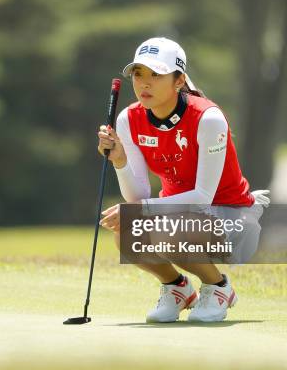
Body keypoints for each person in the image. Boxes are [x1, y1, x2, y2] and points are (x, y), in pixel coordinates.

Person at [97, 37, 270, 322]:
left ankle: (219, 288)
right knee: (126, 231)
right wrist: (119, 160)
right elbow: (136, 197)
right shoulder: (129, 119)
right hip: (182, 218)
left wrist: (141, 210)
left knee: (159, 226)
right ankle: (177, 289)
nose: (145, 83)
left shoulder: (208, 118)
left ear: (179, 81)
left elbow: (202, 197)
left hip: (233, 219)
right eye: (139, 74)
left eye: (156, 74)